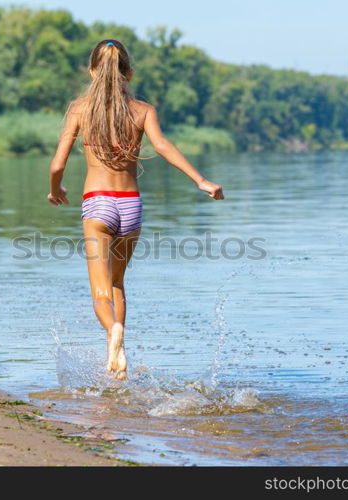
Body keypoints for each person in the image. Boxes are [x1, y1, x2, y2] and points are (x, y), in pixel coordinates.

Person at [48, 39, 224, 380]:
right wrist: (201, 181)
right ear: (128, 73)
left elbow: (57, 165)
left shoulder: (79, 110)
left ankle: (114, 335)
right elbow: (162, 146)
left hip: (97, 204)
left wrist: (56, 191)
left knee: (100, 294)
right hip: (131, 207)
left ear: (92, 71)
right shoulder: (143, 111)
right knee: (118, 283)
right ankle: (118, 358)